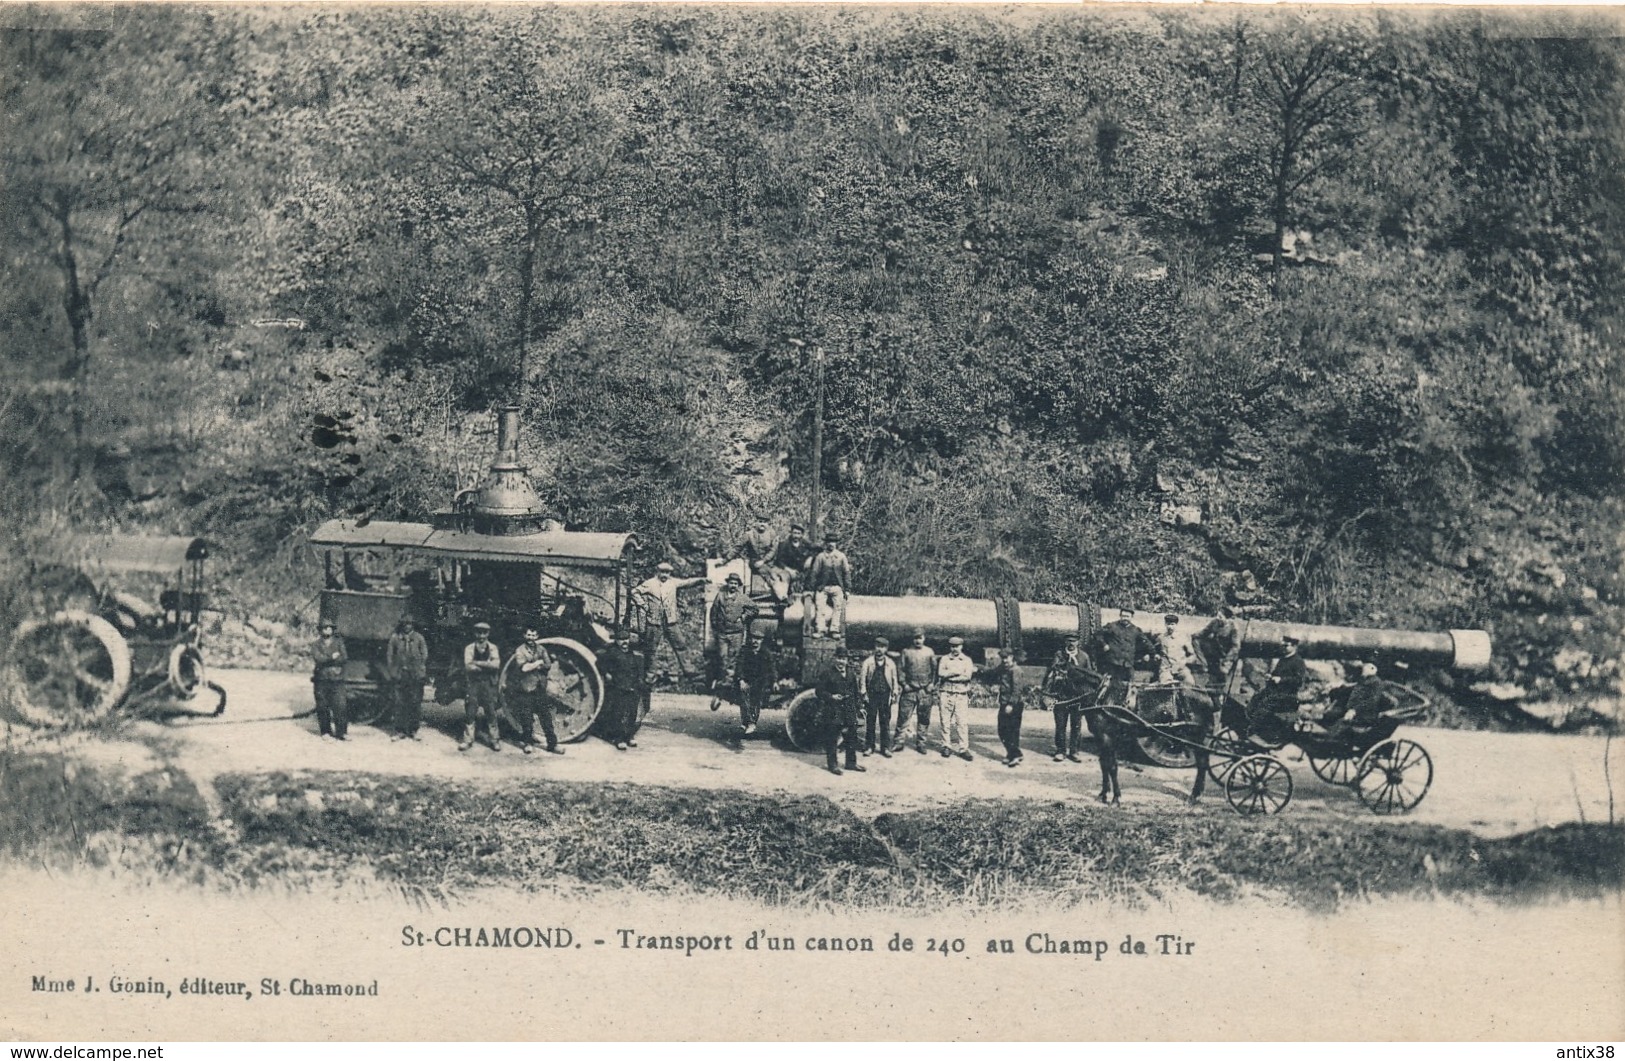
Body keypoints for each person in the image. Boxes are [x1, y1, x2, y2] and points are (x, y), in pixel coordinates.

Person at [633, 561, 707, 686]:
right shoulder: (650, 583)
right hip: (654, 621)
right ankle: (650, 676)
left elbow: (687, 582)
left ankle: (690, 672)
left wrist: (701, 580)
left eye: (667, 573)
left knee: (680, 644)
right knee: (651, 649)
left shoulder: (673, 582)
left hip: (670, 621)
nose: (665, 575)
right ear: (658, 572)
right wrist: (642, 604)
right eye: (662, 572)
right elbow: (635, 592)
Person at [1043, 633, 1099, 763]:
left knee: (1076, 725)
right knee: (1060, 725)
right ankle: (1060, 751)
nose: (1071, 643)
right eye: (1069, 641)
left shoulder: (1084, 657)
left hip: (1077, 696)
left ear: (1078, 643)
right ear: (1065, 642)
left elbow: (1090, 674)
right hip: (1061, 696)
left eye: (1074, 641)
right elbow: (1052, 671)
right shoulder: (1059, 655)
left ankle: (1074, 751)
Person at [508, 627, 563, 755]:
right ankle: (528, 744)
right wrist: (538, 662)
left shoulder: (541, 649)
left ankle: (552, 744)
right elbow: (523, 668)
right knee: (526, 719)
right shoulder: (520, 650)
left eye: (533, 635)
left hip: (540, 690)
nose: (531, 638)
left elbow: (548, 665)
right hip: (526, 689)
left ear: (537, 636)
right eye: (528, 635)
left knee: (546, 718)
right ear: (524, 636)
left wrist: (534, 665)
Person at [1246, 632, 1307, 745]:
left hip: (1288, 696)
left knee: (1266, 703)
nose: (1283, 648)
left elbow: (1298, 681)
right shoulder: (1284, 659)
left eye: (1286, 646)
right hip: (1276, 692)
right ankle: (1251, 727)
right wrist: (1270, 677)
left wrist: (1281, 680)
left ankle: (1260, 734)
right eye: (1282, 645)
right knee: (1256, 698)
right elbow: (1275, 675)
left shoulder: (1298, 661)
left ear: (1294, 646)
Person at [707, 572, 756, 711]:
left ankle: (724, 691)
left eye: (735, 583)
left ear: (738, 585)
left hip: (736, 634)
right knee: (723, 658)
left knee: (733, 660)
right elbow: (713, 611)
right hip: (722, 633)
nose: (733, 585)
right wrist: (716, 626)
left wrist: (743, 617)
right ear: (727, 583)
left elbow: (754, 609)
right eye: (731, 583)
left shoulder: (742, 598)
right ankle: (723, 687)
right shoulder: (720, 595)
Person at [816, 646, 864, 776]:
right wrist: (831, 696)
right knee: (832, 737)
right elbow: (819, 691)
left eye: (843, 659)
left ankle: (851, 763)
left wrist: (859, 707)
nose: (841, 662)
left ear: (847, 660)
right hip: (834, 709)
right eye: (839, 658)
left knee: (851, 736)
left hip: (849, 708)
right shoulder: (827, 673)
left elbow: (855, 692)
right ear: (835, 659)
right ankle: (833, 765)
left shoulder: (851, 673)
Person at [598, 628, 646, 751]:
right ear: (617, 641)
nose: (624, 642)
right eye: (621, 640)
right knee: (618, 714)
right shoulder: (612, 652)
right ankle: (619, 739)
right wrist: (607, 674)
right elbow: (600, 664)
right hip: (619, 687)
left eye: (626, 639)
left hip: (632, 687)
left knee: (632, 713)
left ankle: (629, 737)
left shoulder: (630, 652)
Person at [893, 627, 937, 754]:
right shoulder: (906, 652)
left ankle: (921, 743)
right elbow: (900, 669)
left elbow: (935, 670)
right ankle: (898, 742)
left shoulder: (929, 652)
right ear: (912, 639)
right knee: (903, 717)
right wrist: (904, 684)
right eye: (915, 638)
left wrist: (932, 684)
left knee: (924, 718)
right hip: (909, 690)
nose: (918, 641)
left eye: (920, 638)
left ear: (924, 638)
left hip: (924, 691)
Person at [980, 648, 1026, 767]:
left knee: (1012, 730)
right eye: (1003, 658)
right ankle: (1014, 754)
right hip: (1005, 703)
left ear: (1012, 657)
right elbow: (992, 673)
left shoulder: (1016, 670)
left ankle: (1014, 755)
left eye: (1007, 657)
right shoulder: (1004, 668)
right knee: (1002, 730)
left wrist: (1011, 704)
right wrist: (979, 669)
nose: (1005, 660)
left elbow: (1017, 690)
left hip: (1014, 705)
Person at [386, 617, 429, 742]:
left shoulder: (419, 638)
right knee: (399, 702)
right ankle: (400, 731)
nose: (407, 626)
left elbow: (424, 655)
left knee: (415, 702)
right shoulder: (395, 638)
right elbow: (390, 655)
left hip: (415, 675)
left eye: (410, 624)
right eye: (405, 624)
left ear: (413, 625)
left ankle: (413, 730)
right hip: (401, 674)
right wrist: (393, 671)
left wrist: (418, 667)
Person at [461, 622, 502, 751]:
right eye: (479, 632)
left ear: (488, 634)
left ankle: (494, 740)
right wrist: (487, 664)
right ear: (475, 633)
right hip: (473, 684)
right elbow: (468, 666)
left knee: (491, 712)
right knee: (470, 712)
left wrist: (477, 663)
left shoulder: (493, 648)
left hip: (488, 684)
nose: (481, 636)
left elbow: (496, 665)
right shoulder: (469, 648)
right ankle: (468, 740)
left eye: (484, 633)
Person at [857, 637, 901, 758]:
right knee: (870, 721)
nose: (879, 650)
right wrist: (864, 693)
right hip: (871, 695)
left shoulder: (890, 663)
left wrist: (894, 693)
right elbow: (862, 679)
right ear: (874, 648)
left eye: (882, 647)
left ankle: (885, 747)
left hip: (885, 695)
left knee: (885, 722)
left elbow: (894, 680)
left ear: (886, 649)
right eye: (877, 646)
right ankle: (869, 747)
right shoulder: (868, 662)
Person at [934, 636, 975, 761]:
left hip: (961, 694)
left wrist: (950, 675)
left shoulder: (967, 660)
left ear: (961, 646)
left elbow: (967, 676)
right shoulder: (944, 659)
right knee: (945, 721)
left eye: (957, 646)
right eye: (952, 646)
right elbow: (940, 673)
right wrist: (957, 673)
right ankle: (946, 745)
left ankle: (963, 749)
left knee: (962, 722)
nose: (954, 649)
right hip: (946, 692)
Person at [310, 619, 349, 741]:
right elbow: (318, 658)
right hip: (321, 679)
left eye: (329, 628)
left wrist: (328, 660)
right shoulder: (316, 644)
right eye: (324, 628)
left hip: (337, 679)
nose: (327, 630)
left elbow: (344, 657)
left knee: (340, 706)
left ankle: (341, 732)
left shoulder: (339, 643)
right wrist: (331, 657)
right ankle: (325, 732)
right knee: (322, 706)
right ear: (320, 630)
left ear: (332, 630)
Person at [806, 536, 852, 638]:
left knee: (838, 606)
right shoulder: (821, 557)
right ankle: (820, 629)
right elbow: (814, 573)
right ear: (826, 543)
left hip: (837, 587)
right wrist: (810, 589)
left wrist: (847, 589)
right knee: (820, 606)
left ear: (836, 544)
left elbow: (846, 573)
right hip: (823, 587)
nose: (831, 544)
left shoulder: (841, 556)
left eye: (834, 542)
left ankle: (834, 630)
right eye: (829, 542)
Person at [737, 631, 778, 736]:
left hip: (761, 681)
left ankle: (751, 722)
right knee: (744, 695)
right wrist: (741, 680)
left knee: (756, 699)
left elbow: (772, 668)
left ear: (762, 640)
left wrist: (774, 682)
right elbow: (740, 666)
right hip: (747, 679)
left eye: (758, 639)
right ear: (750, 639)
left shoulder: (766, 653)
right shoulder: (745, 651)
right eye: (754, 638)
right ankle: (747, 722)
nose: (755, 641)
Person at [771, 523, 819, 599]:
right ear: (791, 533)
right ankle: (784, 598)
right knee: (783, 578)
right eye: (794, 533)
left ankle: (810, 595)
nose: (796, 536)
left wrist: (811, 558)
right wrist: (789, 570)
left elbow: (818, 549)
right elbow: (779, 561)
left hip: (801, 571)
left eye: (798, 533)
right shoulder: (784, 544)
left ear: (802, 535)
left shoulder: (805, 543)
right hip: (787, 570)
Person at [740, 519, 782, 600]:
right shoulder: (749, 534)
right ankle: (780, 595)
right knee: (771, 575)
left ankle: (780, 592)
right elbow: (738, 547)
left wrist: (764, 561)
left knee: (780, 573)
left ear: (768, 524)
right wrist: (726, 559)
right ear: (755, 523)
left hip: (767, 562)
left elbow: (773, 550)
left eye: (765, 522)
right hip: (755, 562)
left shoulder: (772, 533)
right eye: (760, 521)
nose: (762, 524)